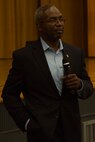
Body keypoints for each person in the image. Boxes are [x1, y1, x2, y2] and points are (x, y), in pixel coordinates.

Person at [2, 4, 93, 142]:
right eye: (53, 20)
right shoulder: (24, 57)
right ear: (39, 26)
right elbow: (9, 94)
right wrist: (27, 123)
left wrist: (79, 84)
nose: (59, 24)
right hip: (41, 133)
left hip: (71, 131)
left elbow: (88, 88)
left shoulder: (75, 53)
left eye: (61, 19)